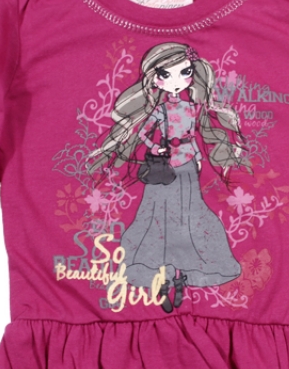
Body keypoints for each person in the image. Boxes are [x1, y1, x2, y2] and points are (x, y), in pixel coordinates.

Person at [87, 41, 251, 312]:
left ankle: (182, 275)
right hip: (164, 168)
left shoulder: (191, 108)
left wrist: (198, 158)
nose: (176, 81)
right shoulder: (159, 110)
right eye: (166, 74)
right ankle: (162, 276)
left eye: (185, 72)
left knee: (189, 216)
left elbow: (192, 137)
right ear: (155, 78)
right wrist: (154, 148)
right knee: (159, 218)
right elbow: (142, 133)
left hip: (188, 166)